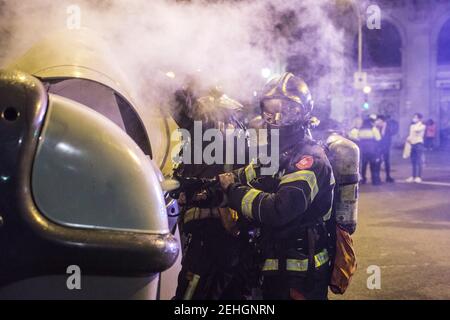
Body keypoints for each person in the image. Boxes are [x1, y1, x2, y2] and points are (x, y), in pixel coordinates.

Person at [219, 72, 335, 300]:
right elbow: (240, 176)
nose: (278, 119)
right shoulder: (275, 155)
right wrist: (208, 189)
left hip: (301, 276)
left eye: (287, 111)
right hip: (274, 270)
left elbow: (279, 209)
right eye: (270, 112)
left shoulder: (309, 159)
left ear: (303, 114)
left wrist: (231, 191)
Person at [171, 86, 250, 300]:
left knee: (192, 295)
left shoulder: (205, 121)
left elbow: (174, 98)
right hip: (236, 228)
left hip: (208, 226)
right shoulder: (241, 128)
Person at [354, 117, 382, 185]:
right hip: (372, 151)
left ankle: (363, 179)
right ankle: (374, 180)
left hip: (363, 151)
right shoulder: (373, 129)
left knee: (363, 165)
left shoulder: (360, 130)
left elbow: (357, 139)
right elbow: (378, 139)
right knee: (373, 165)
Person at [376, 115, 398, 183]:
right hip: (378, 147)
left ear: (382, 121)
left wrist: (384, 127)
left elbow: (390, 134)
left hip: (386, 147)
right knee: (378, 162)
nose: (377, 122)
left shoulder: (388, 127)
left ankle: (388, 177)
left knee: (387, 162)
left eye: (378, 120)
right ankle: (377, 177)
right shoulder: (376, 127)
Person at [406, 113, 426, 183]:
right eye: (414, 117)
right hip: (412, 144)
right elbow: (411, 134)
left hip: (419, 144)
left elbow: (416, 130)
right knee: (413, 161)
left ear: (420, 119)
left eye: (416, 117)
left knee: (419, 161)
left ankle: (419, 176)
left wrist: (419, 123)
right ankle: (413, 176)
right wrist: (408, 139)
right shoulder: (412, 126)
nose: (414, 119)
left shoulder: (422, 126)